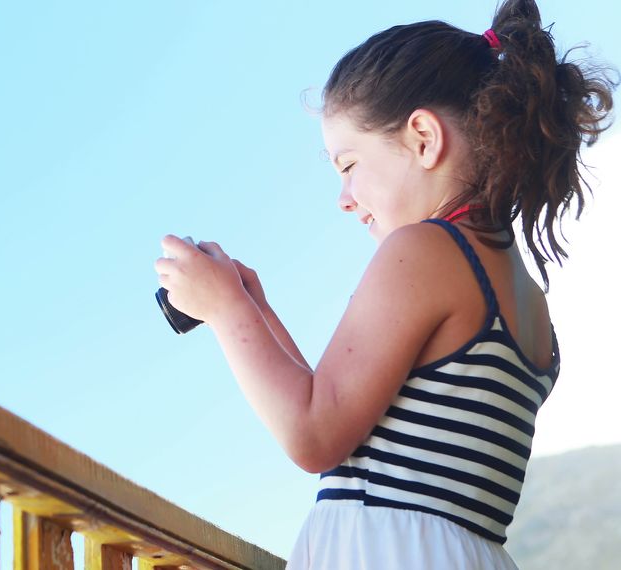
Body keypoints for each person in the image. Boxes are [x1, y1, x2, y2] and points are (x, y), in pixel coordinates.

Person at [153, 1, 615, 567]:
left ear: (423, 137)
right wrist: (257, 310)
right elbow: (348, 418)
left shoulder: (425, 250)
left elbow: (315, 434)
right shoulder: (518, 291)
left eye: (348, 164)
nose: (344, 199)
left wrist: (226, 312)